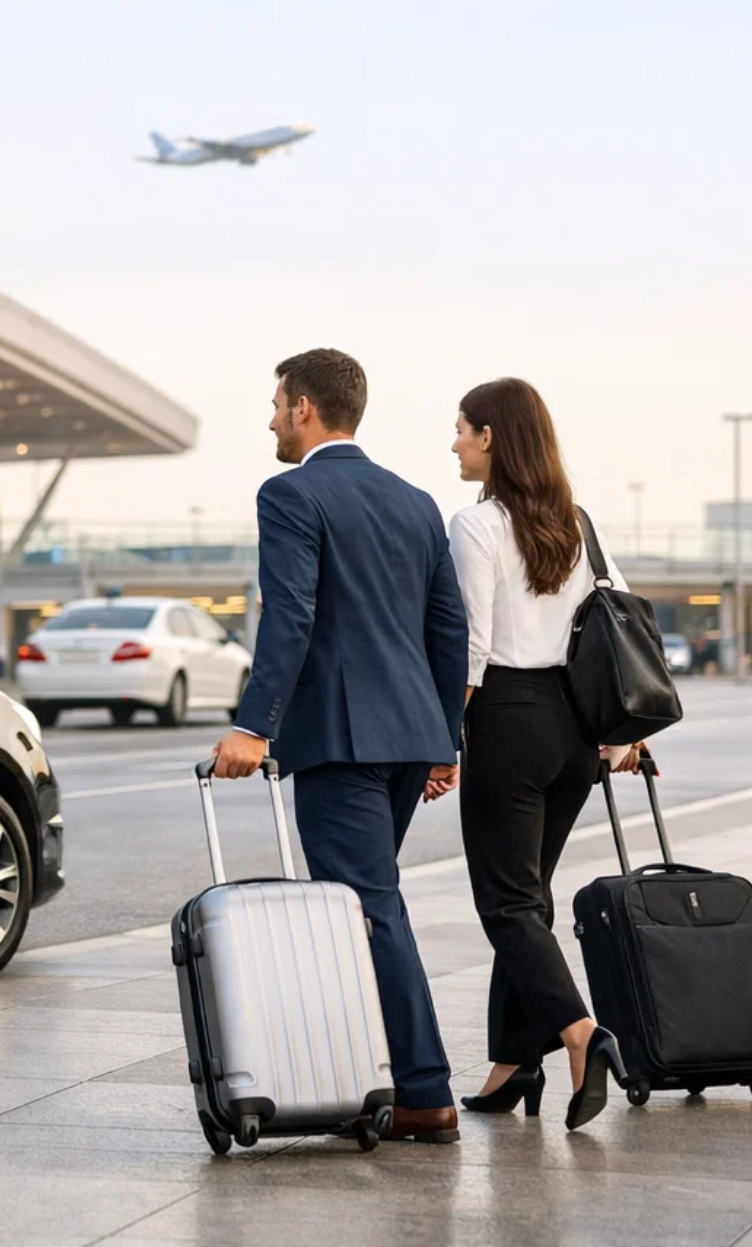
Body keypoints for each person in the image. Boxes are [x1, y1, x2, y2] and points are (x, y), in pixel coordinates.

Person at [209, 349, 468, 1143]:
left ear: (307, 410)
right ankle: (376, 1073)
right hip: (406, 735)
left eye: (278, 404)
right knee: (362, 907)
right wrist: (443, 741)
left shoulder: (290, 493)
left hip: (341, 738)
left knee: (367, 908)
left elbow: (290, 614)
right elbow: (447, 624)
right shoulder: (415, 500)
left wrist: (254, 725)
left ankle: (424, 1091)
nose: (270, 420)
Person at [446, 376, 632, 1129]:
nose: (453, 442)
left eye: (461, 428)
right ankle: (512, 1064)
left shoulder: (477, 524)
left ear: (492, 436)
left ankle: (581, 1033)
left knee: (508, 904)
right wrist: (621, 731)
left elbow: (472, 649)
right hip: (576, 731)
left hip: (509, 719)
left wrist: (439, 739)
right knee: (530, 897)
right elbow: (617, 623)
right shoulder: (578, 522)